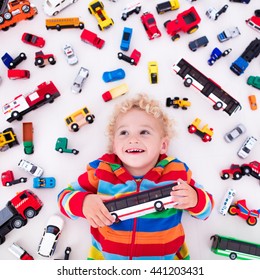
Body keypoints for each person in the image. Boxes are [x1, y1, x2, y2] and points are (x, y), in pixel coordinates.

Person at [58, 94, 214, 260]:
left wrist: (195, 198)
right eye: (124, 132)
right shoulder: (102, 171)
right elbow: (63, 197)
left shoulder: (175, 172)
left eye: (144, 132)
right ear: (114, 146)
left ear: (163, 145)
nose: (133, 139)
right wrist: (83, 203)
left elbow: (206, 210)